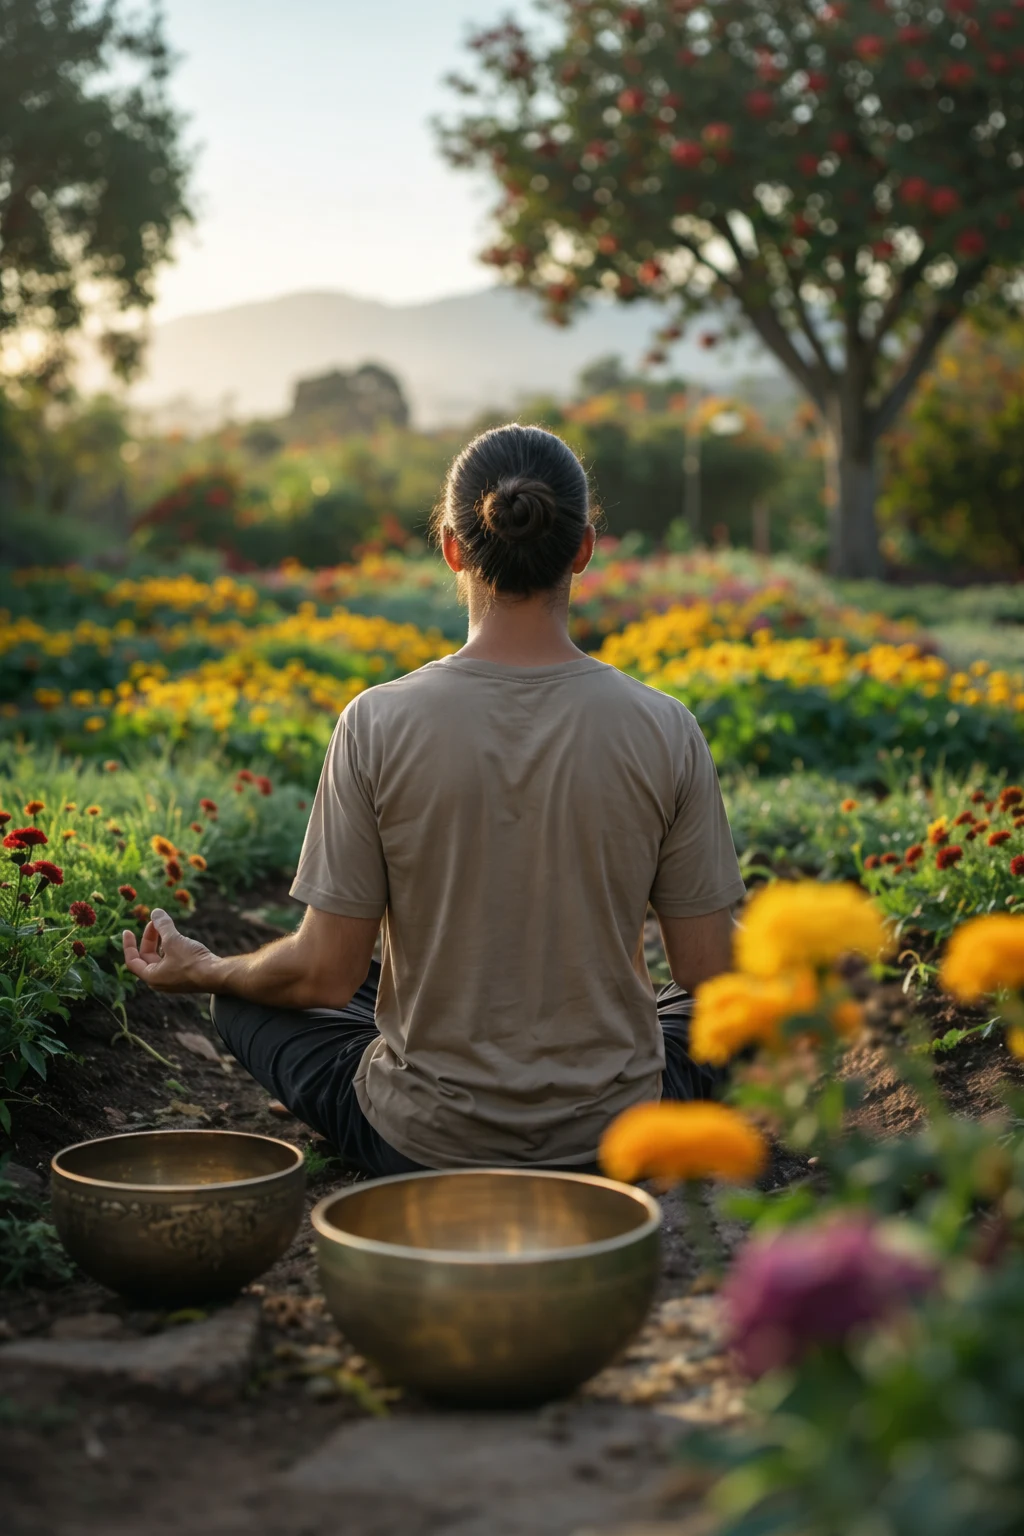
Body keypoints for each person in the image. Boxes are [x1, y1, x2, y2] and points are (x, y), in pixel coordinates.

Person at [123, 424, 746, 1177]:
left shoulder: (377, 721)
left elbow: (322, 973)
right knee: (736, 1009)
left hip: (422, 1137)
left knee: (255, 996)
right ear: (583, 550)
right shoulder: (664, 726)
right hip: (617, 1135)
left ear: (452, 548)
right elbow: (711, 973)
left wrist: (205, 968)